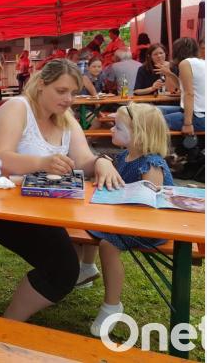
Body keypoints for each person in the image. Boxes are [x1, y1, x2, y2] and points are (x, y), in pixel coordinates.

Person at [0, 60, 123, 322]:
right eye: (61, 91)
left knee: (62, 265)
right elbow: (0, 158)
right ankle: (9, 324)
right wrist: (42, 163)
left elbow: (83, 160)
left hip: (41, 206)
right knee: (63, 269)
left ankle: (12, 320)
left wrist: (101, 161)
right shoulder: (17, 108)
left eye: (73, 92)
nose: (69, 99)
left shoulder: (66, 120)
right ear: (41, 85)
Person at [76, 103, 173, 337]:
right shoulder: (123, 157)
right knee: (86, 223)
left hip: (149, 226)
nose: (111, 131)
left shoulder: (151, 164)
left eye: (118, 127)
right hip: (124, 219)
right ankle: (87, 269)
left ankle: (112, 306)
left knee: (108, 245)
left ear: (139, 134)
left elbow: (151, 206)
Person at [159, 37, 205, 133]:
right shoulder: (201, 63)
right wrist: (170, 74)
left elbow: (189, 94)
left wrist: (188, 124)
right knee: (154, 111)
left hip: (197, 116)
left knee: (151, 121)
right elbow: (183, 88)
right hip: (198, 113)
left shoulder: (185, 63)